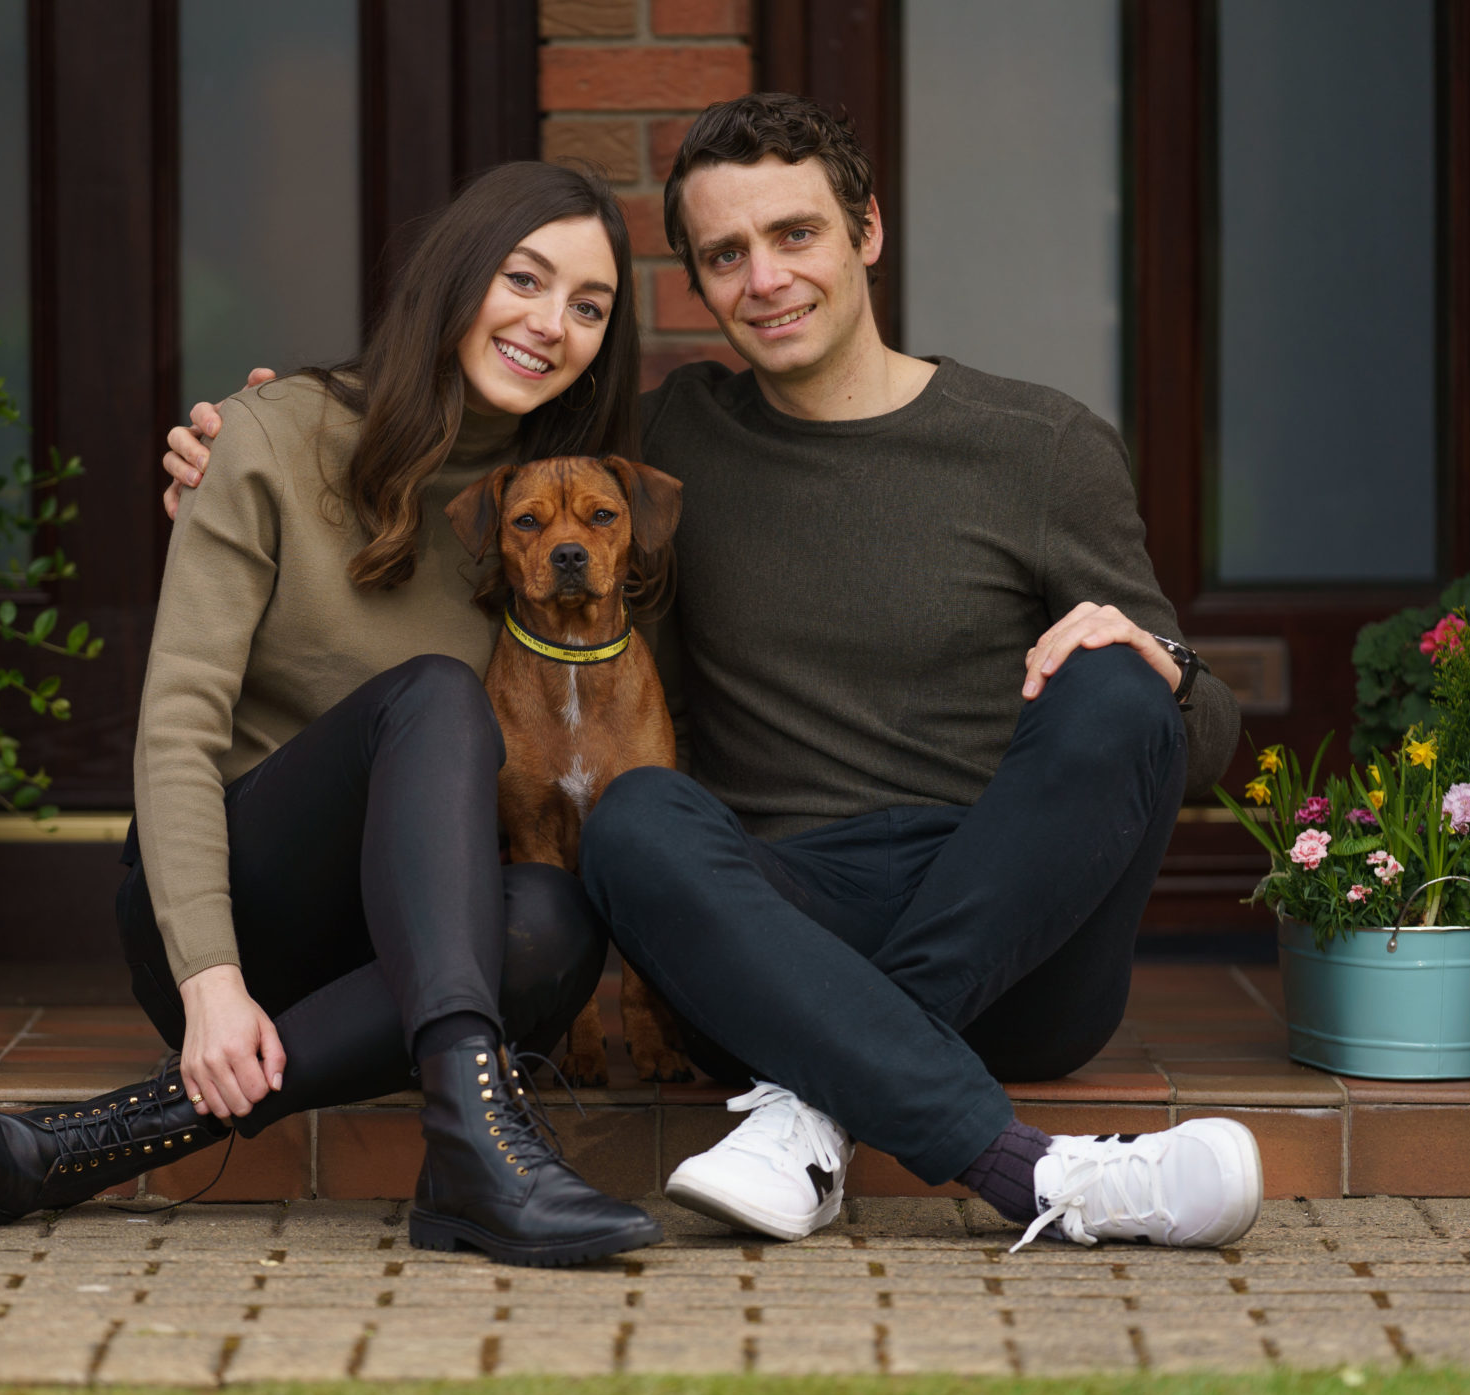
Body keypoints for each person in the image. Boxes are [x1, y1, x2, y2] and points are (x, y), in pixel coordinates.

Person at [163, 95, 1265, 1255]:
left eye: (795, 235)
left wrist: (1163, 666)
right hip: (767, 936)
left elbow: (1190, 733)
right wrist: (273, 449)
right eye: (724, 254)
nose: (765, 278)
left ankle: (835, 1107)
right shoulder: (668, 447)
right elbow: (481, 467)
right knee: (636, 814)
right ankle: (1032, 1167)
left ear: (866, 233)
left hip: (1019, 936)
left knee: (1113, 677)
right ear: (694, 280)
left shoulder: (1040, 445)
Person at [0, 161, 665, 1269]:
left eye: (588, 306)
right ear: (457, 276)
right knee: (433, 694)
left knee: (554, 926)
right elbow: (176, 725)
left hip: (420, 947)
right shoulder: (273, 436)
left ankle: (93, 1142)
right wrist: (212, 985)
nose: (549, 322)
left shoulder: (559, 503)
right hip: (245, 910)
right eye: (524, 278)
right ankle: (479, 1148)